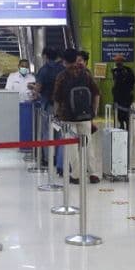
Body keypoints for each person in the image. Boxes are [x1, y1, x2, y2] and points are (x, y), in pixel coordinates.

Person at [53, 48, 101, 184]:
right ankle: (93, 174)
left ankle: (76, 175)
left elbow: (56, 98)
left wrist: (56, 114)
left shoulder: (62, 76)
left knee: (71, 146)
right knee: (87, 144)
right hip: (85, 116)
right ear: (75, 59)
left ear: (64, 61)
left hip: (68, 116)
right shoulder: (86, 74)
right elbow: (96, 93)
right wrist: (94, 111)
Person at [110, 55, 135, 130]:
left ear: (122, 62)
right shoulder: (115, 71)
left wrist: (129, 90)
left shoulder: (127, 70)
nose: (117, 62)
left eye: (118, 61)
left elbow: (132, 81)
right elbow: (115, 82)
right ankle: (121, 125)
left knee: (126, 113)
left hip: (126, 96)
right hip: (118, 96)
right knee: (119, 113)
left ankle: (127, 126)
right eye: (116, 61)